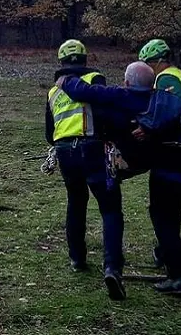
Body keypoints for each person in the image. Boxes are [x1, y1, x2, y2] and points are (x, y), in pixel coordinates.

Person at [45, 39, 126, 301]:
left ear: (61, 62)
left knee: (76, 202)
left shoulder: (53, 91)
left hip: (65, 152)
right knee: (110, 207)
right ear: (84, 58)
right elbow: (107, 113)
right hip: (93, 148)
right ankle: (112, 268)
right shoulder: (95, 79)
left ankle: (77, 259)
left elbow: (49, 132)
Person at [137, 39, 181, 296]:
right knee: (171, 208)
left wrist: (145, 127)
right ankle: (166, 253)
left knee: (161, 212)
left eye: (147, 66)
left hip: (176, 153)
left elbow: (167, 110)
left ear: (154, 62)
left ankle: (178, 276)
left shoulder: (166, 79)